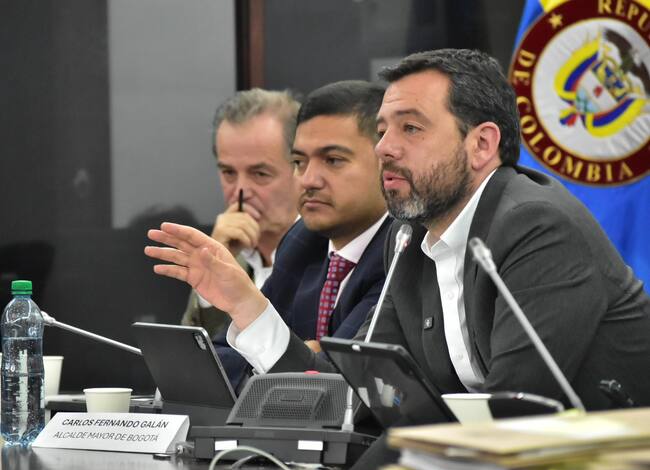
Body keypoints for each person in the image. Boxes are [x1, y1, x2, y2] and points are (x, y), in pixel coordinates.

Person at [147, 50, 650, 410]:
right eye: (383, 129)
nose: (384, 148)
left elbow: (516, 414)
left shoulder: (536, 226)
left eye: (410, 128)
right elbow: (352, 395)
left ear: (481, 145)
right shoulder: (409, 238)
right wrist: (244, 304)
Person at [147, 80, 391, 387]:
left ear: (388, 163)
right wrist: (298, 356)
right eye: (300, 162)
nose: (309, 179)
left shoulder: (403, 252)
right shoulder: (303, 243)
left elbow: (332, 387)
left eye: (333, 160)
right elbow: (199, 372)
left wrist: (283, 357)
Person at [180, 89, 301, 337]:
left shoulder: (329, 258)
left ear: (300, 169)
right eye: (228, 173)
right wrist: (210, 276)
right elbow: (187, 356)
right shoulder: (227, 255)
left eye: (260, 174)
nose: (241, 191)